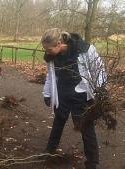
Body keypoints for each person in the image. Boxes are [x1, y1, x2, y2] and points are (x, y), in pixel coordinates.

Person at [41, 28, 106, 169]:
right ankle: (50, 151)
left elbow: (99, 70)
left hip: (81, 96)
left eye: (49, 49)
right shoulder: (52, 57)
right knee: (58, 123)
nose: (47, 52)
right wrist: (47, 93)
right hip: (62, 94)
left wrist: (100, 92)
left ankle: (92, 163)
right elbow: (50, 75)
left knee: (86, 129)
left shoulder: (84, 50)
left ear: (59, 43)